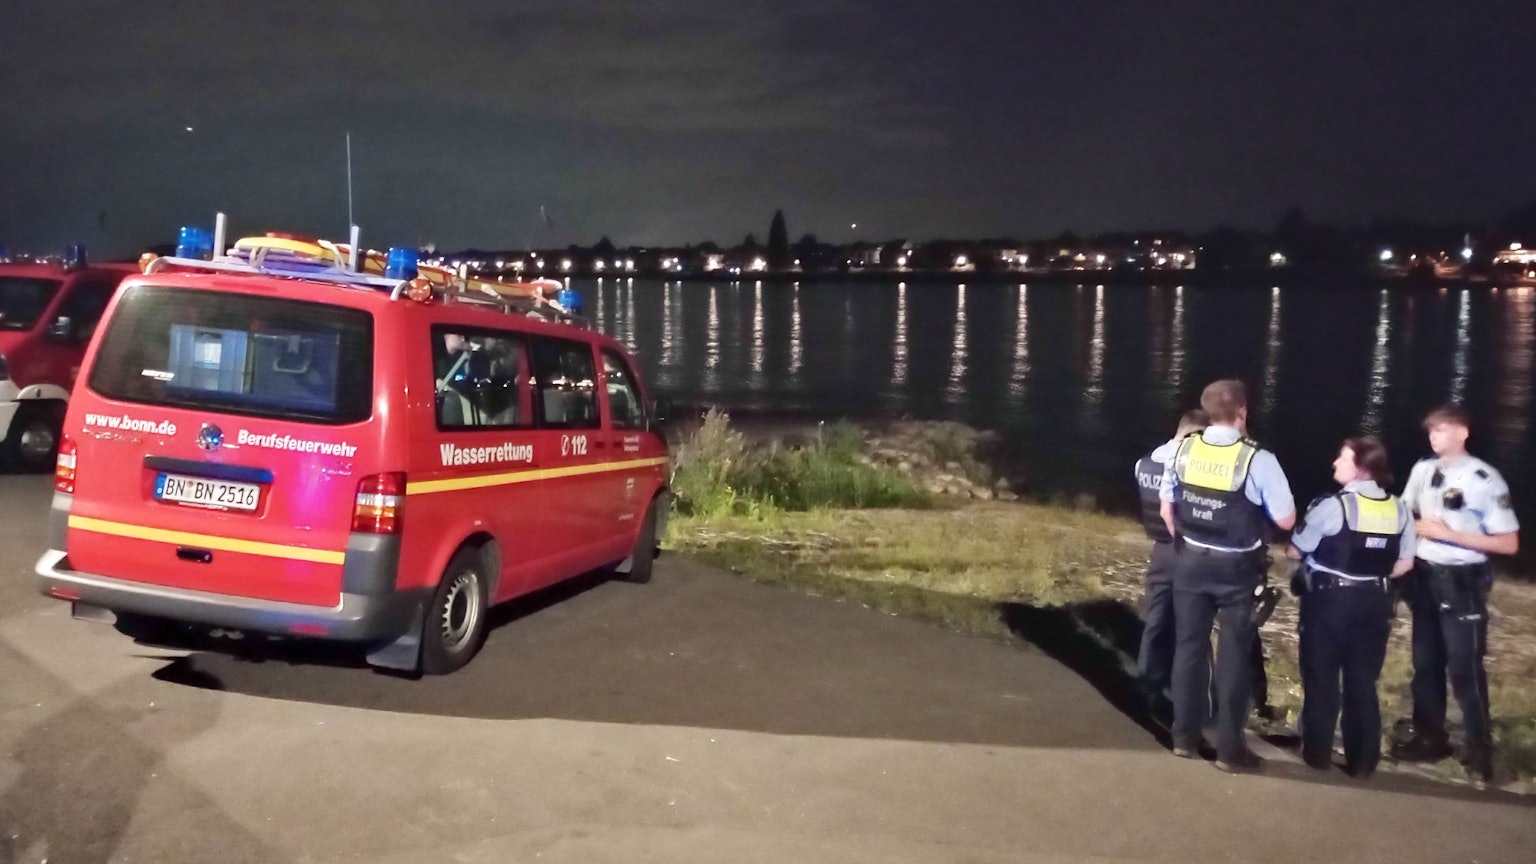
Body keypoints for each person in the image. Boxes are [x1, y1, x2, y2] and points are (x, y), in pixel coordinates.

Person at [1160, 379, 1295, 773]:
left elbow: (1168, 507)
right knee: (1233, 655)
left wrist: (1187, 542)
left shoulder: (1183, 448)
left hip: (1189, 561)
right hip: (1236, 568)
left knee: (1188, 648)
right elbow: (1286, 517)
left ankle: (1183, 737)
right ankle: (1229, 750)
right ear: (1243, 412)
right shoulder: (1257, 459)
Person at [1390, 405, 1519, 786]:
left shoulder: (1483, 479)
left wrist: (1450, 534)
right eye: (1431, 430)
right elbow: (1406, 513)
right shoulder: (1423, 470)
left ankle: (1480, 750)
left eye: (1443, 430)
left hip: (1463, 578)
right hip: (1424, 575)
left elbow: (1509, 543)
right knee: (1425, 663)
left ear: (1462, 433)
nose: (1434, 436)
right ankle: (1430, 737)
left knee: (1464, 667)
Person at [1287, 437, 1416, 779]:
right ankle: (1363, 761)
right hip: (1375, 602)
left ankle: (1317, 753)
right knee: (1362, 681)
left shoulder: (1334, 506)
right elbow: (1405, 563)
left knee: (1322, 677)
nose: (1334, 463)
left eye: (1341, 458)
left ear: (1360, 467)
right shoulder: (1399, 508)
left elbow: (1296, 551)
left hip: (1329, 602)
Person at [1133, 408, 1210, 719]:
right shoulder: (1190, 467)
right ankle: (1190, 702)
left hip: (1159, 553)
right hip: (1189, 551)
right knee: (1192, 629)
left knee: (1155, 622)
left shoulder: (1144, 463)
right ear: (1194, 436)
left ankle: (1147, 688)